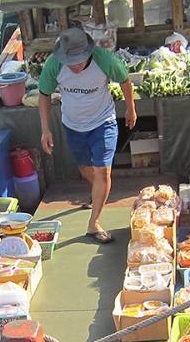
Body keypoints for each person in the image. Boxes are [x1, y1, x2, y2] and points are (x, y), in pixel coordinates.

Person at [38, 27, 137, 243]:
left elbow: (125, 80)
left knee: (103, 172)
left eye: (79, 60)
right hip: (72, 126)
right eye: (70, 61)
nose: (75, 66)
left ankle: (94, 223)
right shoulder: (54, 65)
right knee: (85, 168)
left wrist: (130, 108)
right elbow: (44, 94)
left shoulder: (105, 60)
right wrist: (45, 129)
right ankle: (98, 194)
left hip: (103, 121)